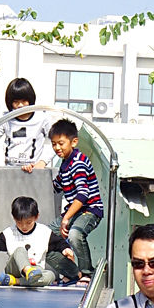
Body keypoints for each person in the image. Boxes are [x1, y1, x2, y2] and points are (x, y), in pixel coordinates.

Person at [0, 195, 79, 288]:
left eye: (28, 222)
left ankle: (16, 281)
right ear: (14, 218)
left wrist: (66, 249)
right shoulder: (8, 233)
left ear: (36, 217)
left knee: (51, 275)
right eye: (19, 222)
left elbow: (58, 242)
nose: (24, 226)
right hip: (15, 270)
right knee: (20, 250)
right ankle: (27, 271)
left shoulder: (44, 232)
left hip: (36, 271)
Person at [49, 119, 102, 279]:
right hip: (74, 212)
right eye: (53, 144)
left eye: (61, 143)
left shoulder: (78, 162)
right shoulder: (65, 164)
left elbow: (82, 194)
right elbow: (55, 186)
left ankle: (87, 272)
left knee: (74, 234)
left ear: (74, 142)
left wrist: (66, 218)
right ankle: (72, 272)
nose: (57, 148)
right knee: (45, 238)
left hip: (89, 210)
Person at [0, 78, 52, 170]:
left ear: (30, 100)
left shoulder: (42, 118)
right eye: (16, 102)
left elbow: (56, 141)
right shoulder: (6, 119)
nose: (20, 105)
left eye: (24, 101)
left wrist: (42, 162)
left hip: (33, 170)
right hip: (10, 171)